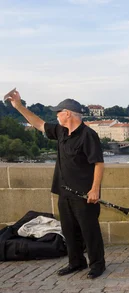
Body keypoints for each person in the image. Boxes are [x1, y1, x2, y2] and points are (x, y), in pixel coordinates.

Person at [4, 89, 107, 278]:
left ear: (67, 113)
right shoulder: (61, 131)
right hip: (64, 192)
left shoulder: (88, 135)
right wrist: (19, 106)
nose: (57, 116)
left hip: (84, 194)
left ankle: (97, 264)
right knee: (68, 230)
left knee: (89, 230)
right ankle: (76, 262)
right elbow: (39, 124)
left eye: (58, 112)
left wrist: (94, 190)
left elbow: (98, 163)